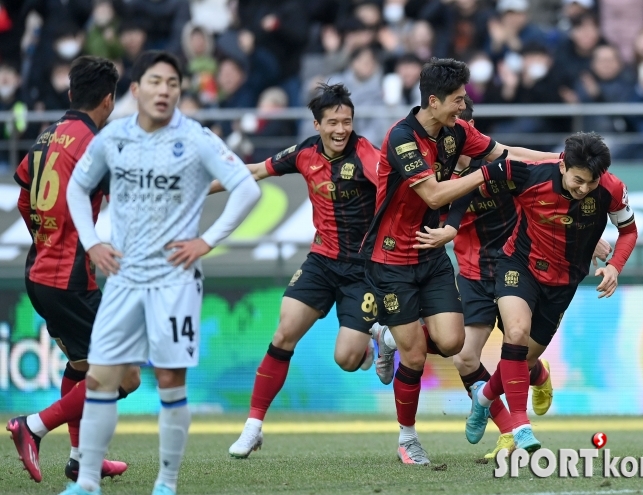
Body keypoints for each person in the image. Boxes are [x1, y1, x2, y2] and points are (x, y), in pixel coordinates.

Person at [59, 50, 261, 495]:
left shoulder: (196, 138)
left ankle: (166, 483)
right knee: (100, 376)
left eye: (172, 82)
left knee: (170, 380)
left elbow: (245, 190)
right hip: (125, 277)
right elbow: (76, 186)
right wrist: (92, 241)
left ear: (180, 90)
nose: (164, 90)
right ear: (135, 90)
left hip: (175, 280)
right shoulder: (113, 139)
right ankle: (87, 481)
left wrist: (207, 240)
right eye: (155, 81)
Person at [361, 57, 559, 465]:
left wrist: (556, 162)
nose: (463, 106)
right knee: (415, 356)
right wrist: (488, 175)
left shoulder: (456, 132)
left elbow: (506, 153)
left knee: (453, 343)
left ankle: (387, 336)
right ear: (433, 102)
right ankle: (407, 438)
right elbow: (433, 195)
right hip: (393, 256)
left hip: (432, 254)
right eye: (457, 100)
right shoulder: (401, 138)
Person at [223, 83, 384, 459]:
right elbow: (256, 171)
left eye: (347, 121)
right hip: (321, 261)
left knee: (346, 360)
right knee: (284, 332)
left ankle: (370, 342)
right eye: (333, 122)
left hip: (362, 269)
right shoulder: (303, 153)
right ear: (317, 124)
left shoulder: (366, 155)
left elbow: (397, 188)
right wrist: (206, 188)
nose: (341, 129)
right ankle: (253, 427)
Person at [6, 56, 141, 484]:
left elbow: (24, 200)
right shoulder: (94, 143)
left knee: (82, 365)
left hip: (39, 275)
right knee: (125, 375)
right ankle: (33, 426)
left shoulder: (46, 138)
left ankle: (83, 459)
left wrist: (48, 237)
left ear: (69, 94)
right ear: (109, 100)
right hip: (70, 280)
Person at [466, 132, 637, 453]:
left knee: (523, 359)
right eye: (578, 180)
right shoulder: (531, 176)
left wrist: (614, 266)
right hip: (520, 265)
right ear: (562, 166)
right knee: (515, 333)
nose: (584, 188)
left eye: (591, 182)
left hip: (563, 282)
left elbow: (628, 231)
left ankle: (483, 397)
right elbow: (477, 188)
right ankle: (520, 424)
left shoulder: (612, 189)